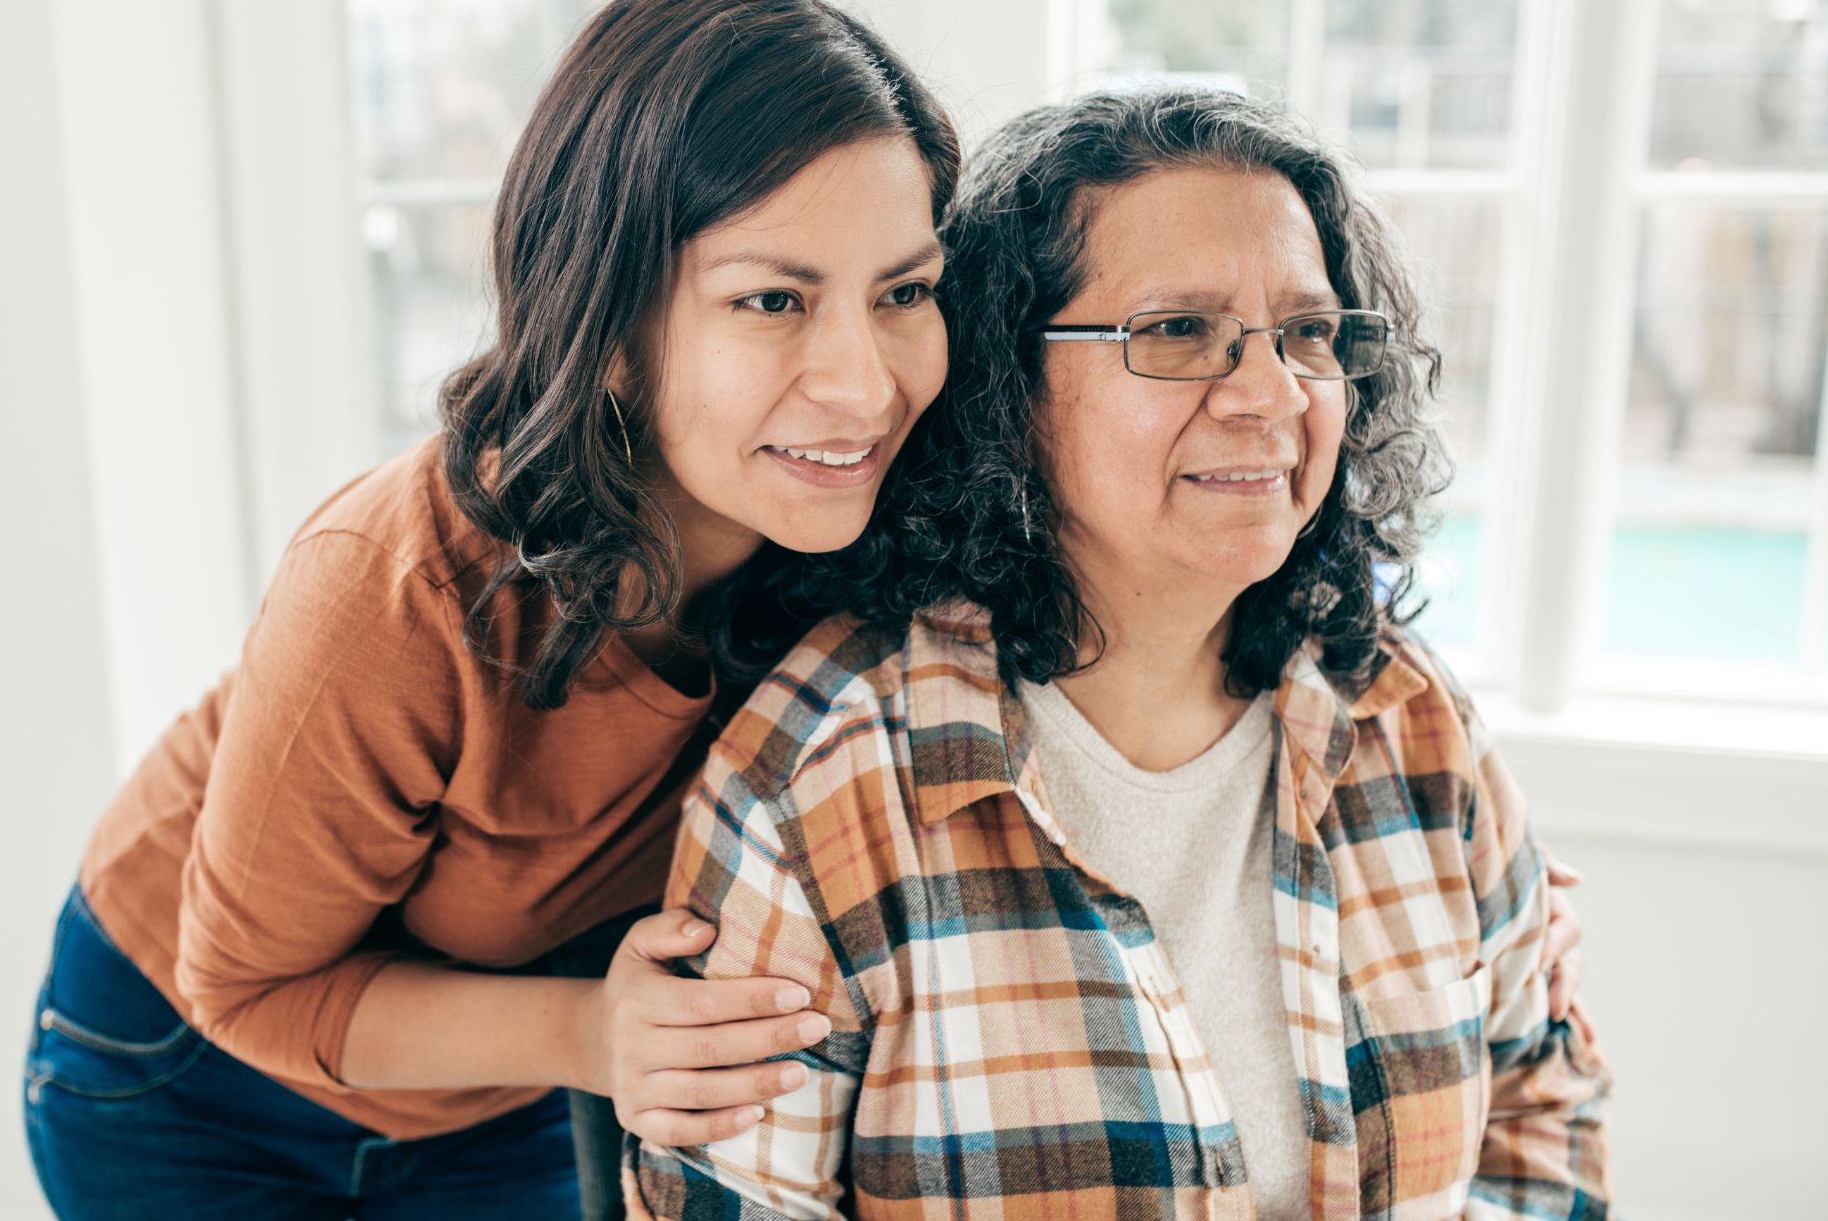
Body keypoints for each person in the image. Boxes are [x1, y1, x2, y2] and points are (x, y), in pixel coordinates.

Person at [21, 0, 960, 1218]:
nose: (864, 384)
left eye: (902, 291)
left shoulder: (874, 543)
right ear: (609, 322)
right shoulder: (394, 587)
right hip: (188, 1074)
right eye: (772, 300)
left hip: (498, 1076)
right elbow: (247, 989)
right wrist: (589, 1037)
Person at [630, 88, 1613, 1220]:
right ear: (1008, 385)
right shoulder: (814, 785)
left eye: (1305, 333)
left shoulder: (1408, 713)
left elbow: (1542, 1113)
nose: (1269, 394)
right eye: (1176, 331)